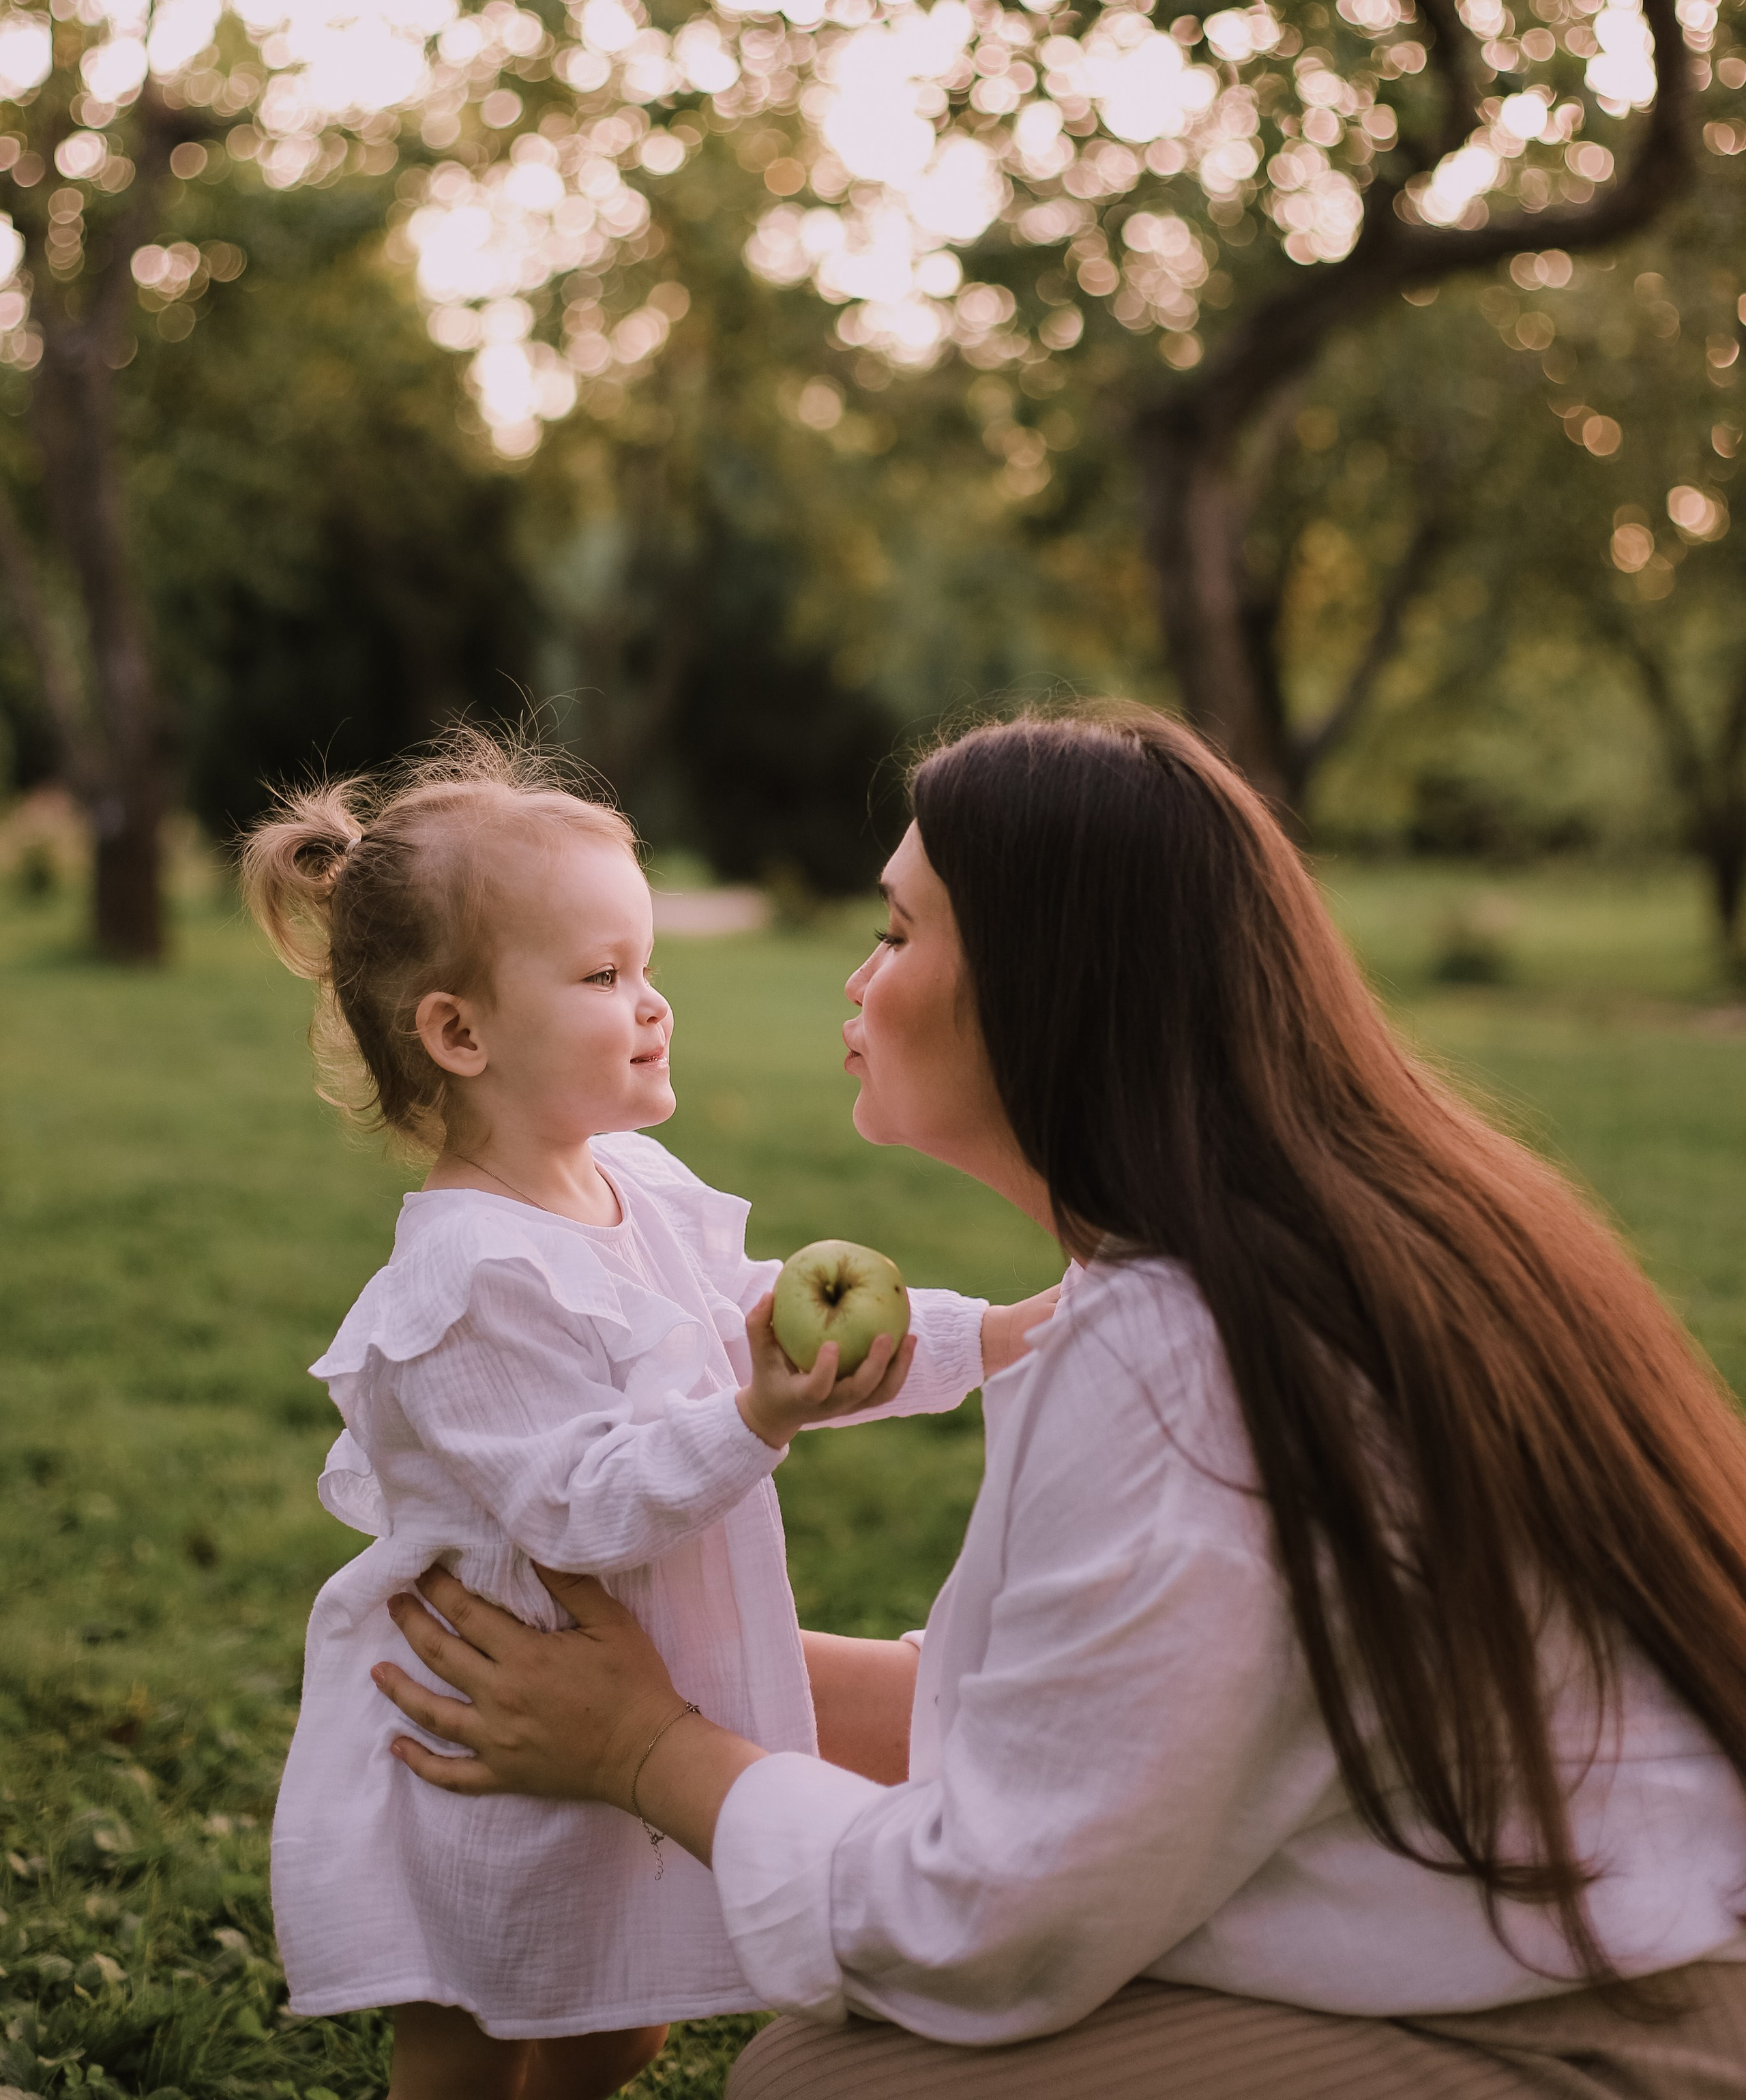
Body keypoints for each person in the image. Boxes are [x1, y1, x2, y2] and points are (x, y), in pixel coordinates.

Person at [374, 708, 1746, 2100]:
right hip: (1576, 1941)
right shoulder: (1251, 1258)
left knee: (827, 2087)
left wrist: (648, 1747)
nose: (856, 981)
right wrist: (672, 1676)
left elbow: (982, 1927)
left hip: (1615, 2031)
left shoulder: (1191, 1364)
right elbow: (1075, 1717)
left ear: (1046, 986)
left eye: (899, 935)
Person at [239, 735, 1053, 2100]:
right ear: (458, 1032)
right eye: (603, 976)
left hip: (628, 1682)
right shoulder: (465, 1284)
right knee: (473, 2027)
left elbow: (758, 1323)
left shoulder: (630, 1180)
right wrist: (752, 1419)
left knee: (618, 2025)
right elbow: (571, 1503)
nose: (653, 1003)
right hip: (488, 1724)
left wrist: (994, 1336)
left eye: (648, 967)